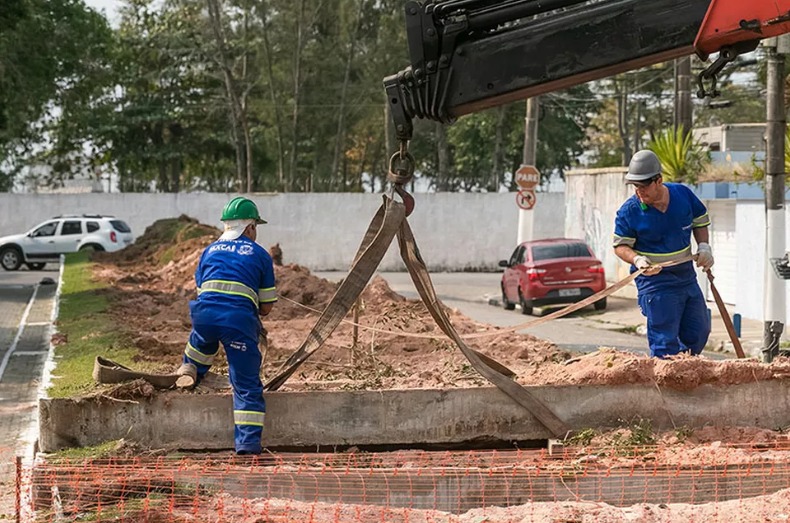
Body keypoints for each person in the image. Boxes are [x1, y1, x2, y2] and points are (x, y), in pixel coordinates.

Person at [175, 196, 277, 455]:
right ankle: (247, 445)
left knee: (203, 338)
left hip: (204, 315)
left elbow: (204, 291)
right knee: (246, 386)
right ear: (250, 227)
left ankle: (190, 368)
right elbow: (266, 307)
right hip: (237, 323)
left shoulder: (209, 251)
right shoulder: (260, 255)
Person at [612, 149, 714, 358]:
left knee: (699, 331)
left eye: (643, 186)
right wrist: (637, 259)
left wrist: (703, 246)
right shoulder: (629, 212)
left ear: (658, 180)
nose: (639, 192)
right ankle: (665, 378)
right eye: (635, 186)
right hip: (655, 283)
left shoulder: (682, 195)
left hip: (686, 278)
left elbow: (700, 221)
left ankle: (683, 372)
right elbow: (620, 246)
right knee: (664, 340)